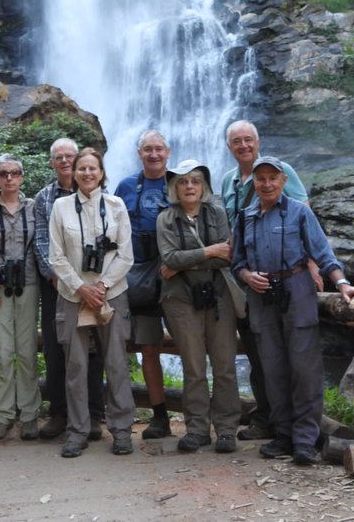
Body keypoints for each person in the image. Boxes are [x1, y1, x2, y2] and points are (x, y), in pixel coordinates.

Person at [231, 157, 354, 466]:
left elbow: (322, 252)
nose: (266, 184)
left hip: (297, 289)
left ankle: (305, 440)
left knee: (305, 369)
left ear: (283, 181)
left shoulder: (299, 212)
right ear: (253, 183)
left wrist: (343, 284)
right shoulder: (244, 218)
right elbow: (237, 261)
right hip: (261, 295)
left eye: (272, 178)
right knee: (273, 367)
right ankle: (282, 435)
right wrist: (245, 276)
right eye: (261, 179)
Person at [220, 119, 311, 441]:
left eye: (248, 140)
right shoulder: (228, 182)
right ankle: (266, 418)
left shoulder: (280, 170)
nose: (243, 146)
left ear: (257, 142)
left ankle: (297, 428)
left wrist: (313, 264)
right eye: (236, 141)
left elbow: (304, 215)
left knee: (293, 355)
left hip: (285, 276)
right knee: (260, 353)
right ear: (229, 147)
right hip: (245, 277)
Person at [48, 147, 135, 458]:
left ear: (102, 173)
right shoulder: (60, 207)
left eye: (92, 169)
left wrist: (101, 286)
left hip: (111, 295)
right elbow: (56, 256)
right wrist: (81, 288)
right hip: (73, 296)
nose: (87, 173)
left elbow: (126, 254)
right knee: (76, 366)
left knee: (116, 363)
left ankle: (122, 430)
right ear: (73, 172)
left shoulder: (116, 205)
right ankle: (77, 431)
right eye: (81, 168)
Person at [156, 159, 242, 454]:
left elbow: (226, 256)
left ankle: (227, 429)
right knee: (193, 367)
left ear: (203, 186)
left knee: (225, 365)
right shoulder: (166, 219)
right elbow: (169, 258)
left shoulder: (216, 212)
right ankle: (196, 429)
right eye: (182, 181)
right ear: (174, 188)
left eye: (194, 181)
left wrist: (185, 260)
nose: (189, 186)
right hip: (181, 299)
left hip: (218, 296)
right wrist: (207, 251)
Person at [32, 138, 106, 441]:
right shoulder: (44, 198)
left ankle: (94, 414)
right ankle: (60, 412)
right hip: (56, 285)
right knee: (55, 346)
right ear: (52, 163)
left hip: (91, 282)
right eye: (59, 157)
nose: (64, 161)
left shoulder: (94, 193)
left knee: (92, 347)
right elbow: (40, 240)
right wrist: (55, 275)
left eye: (69, 157)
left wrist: (90, 280)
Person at [112, 129, 172, 440]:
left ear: (168, 152)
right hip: (130, 276)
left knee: (173, 346)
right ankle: (141, 415)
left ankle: (176, 414)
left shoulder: (179, 183)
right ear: (139, 154)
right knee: (135, 348)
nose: (153, 154)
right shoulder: (125, 187)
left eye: (158, 149)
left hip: (171, 275)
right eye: (147, 149)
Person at [0, 154, 41, 441]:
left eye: (15, 173)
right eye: (4, 174)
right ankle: (3, 414)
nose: (9, 178)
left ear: (23, 177)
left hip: (28, 283)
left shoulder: (33, 207)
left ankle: (29, 415)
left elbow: (39, 245)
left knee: (26, 350)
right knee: (2, 351)